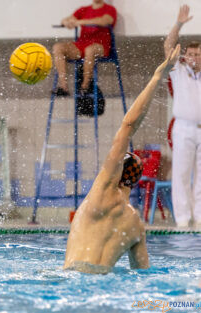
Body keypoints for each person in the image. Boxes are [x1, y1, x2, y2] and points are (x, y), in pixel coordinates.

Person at [64, 45, 181, 274]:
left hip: (71, 280)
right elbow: (142, 272)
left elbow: (128, 125)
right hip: (103, 288)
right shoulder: (136, 225)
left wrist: (158, 75)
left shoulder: (102, 191)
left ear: (115, 172)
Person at [164, 5, 201, 229]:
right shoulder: (178, 70)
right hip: (184, 128)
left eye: (199, 54)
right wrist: (178, 24)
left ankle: (199, 218)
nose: (195, 57)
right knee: (181, 174)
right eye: (191, 54)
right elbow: (168, 46)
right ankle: (182, 219)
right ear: (185, 56)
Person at [52, 0, 117, 96]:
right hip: (82, 44)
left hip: (101, 45)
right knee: (58, 47)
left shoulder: (109, 9)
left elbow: (104, 21)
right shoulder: (83, 9)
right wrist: (67, 22)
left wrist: (80, 21)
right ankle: (63, 87)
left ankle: (85, 87)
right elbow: (66, 20)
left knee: (90, 50)